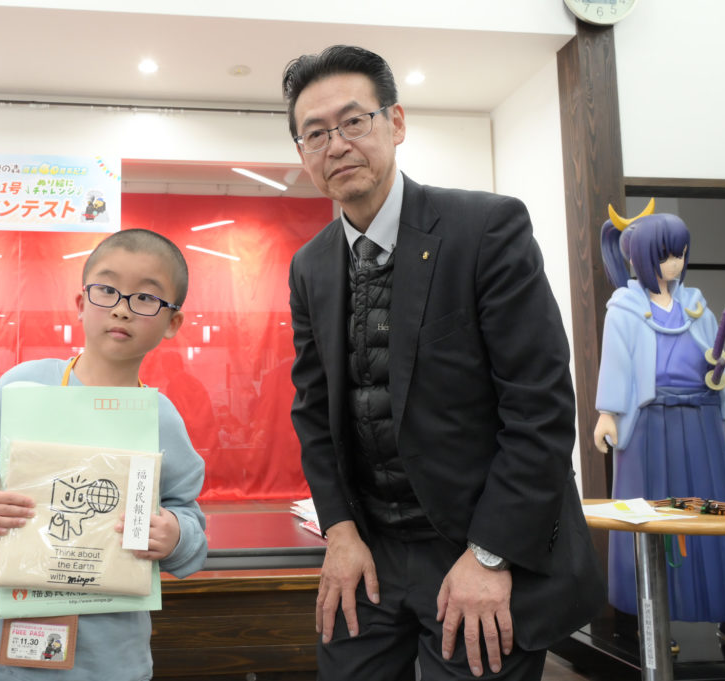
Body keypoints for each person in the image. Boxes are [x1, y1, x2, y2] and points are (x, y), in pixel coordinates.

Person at [282, 45, 604, 680]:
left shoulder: (485, 229)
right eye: (314, 133)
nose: (336, 145)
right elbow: (314, 414)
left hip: (477, 545)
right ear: (302, 152)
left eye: (353, 121)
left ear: (395, 122)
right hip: (369, 549)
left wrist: (490, 555)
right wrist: (340, 531)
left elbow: (538, 408)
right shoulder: (310, 265)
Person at [0, 228, 208, 681]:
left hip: (105, 662)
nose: (121, 308)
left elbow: (188, 514)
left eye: (145, 298)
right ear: (81, 303)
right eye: (107, 290)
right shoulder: (24, 386)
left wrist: (175, 535)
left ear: (172, 323)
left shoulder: (160, 418)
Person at [593, 207, 725, 645]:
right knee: (651, 518)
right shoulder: (624, 308)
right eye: (667, 255)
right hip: (651, 427)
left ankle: (724, 610)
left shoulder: (696, 305)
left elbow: (718, 362)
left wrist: (720, 379)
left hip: (701, 421)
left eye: (681, 254)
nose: (675, 264)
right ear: (642, 256)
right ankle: (650, 622)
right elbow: (617, 364)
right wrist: (607, 412)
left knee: (711, 514)